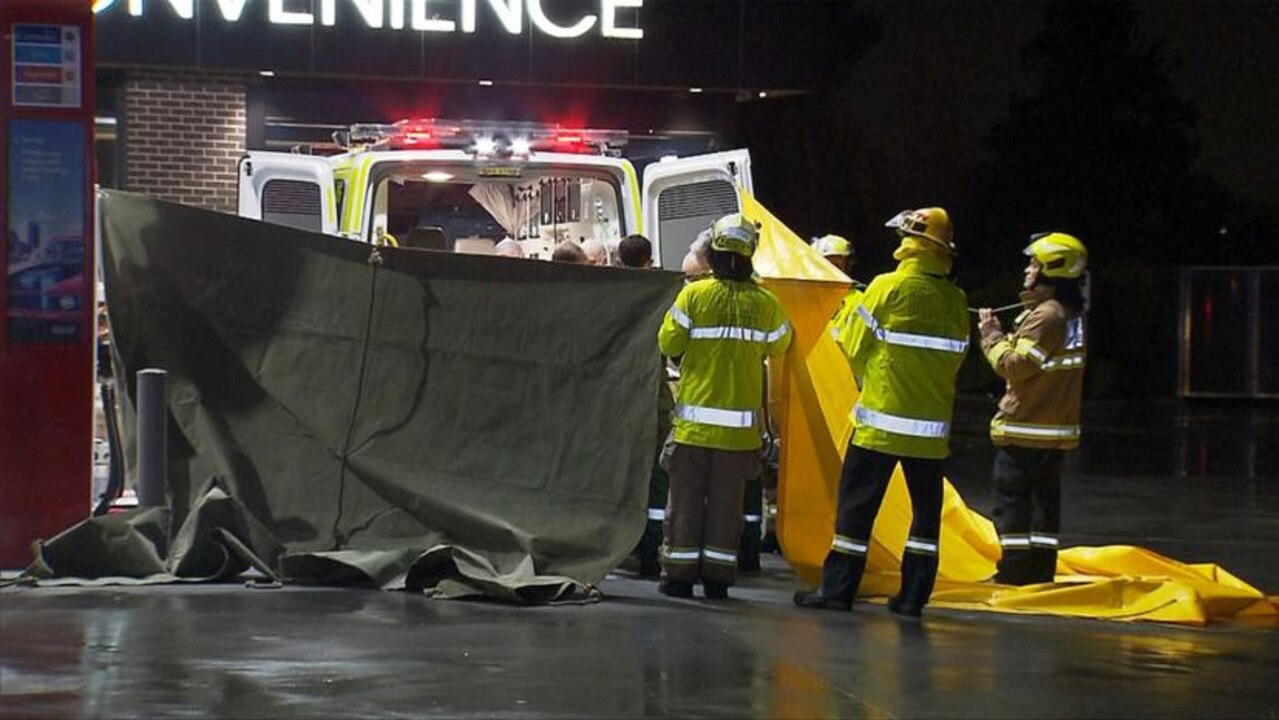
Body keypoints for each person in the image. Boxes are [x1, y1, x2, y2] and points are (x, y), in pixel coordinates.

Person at [794, 207, 969, 618]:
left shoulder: (885, 288)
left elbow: (851, 343)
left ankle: (838, 592)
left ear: (909, 244)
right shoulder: (955, 300)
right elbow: (958, 358)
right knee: (926, 520)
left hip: (880, 423)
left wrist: (869, 378)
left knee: (856, 511)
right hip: (930, 431)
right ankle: (913, 598)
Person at [657, 213, 792, 600]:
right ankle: (717, 580)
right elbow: (781, 344)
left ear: (713, 252)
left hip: (694, 431)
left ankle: (679, 579)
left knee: (684, 507)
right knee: (725, 511)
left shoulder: (693, 295)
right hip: (739, 436)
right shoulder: (766, 303)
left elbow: (668, 344)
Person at [977, 232, 1089, 585]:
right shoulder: (1068, 314)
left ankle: (1013, 573)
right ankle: (1040, 571)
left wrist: (990, 335)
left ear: (1051, 270)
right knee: (1043, 508)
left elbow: (1015, 367)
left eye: (1034, 264)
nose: (1027, 270)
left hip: (1026, 428)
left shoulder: (1047, 316)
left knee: (1013, 508)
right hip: (1053, 431)